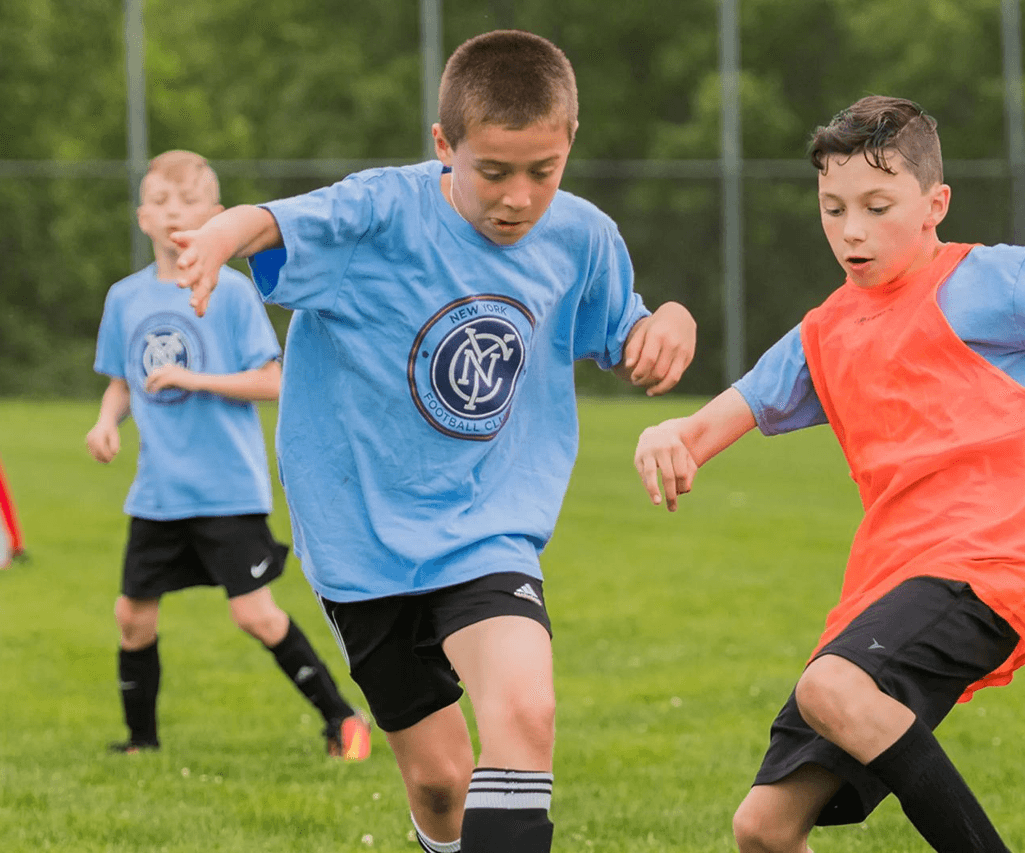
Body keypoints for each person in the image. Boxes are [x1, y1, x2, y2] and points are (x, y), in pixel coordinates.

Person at [634, 95, 1025, 852]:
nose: (851, 230)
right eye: (833, 207)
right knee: (765, 828)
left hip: (987, 569)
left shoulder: (998, 281)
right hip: (885, 587)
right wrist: (665, 432)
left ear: (934, 203)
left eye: (878, 206)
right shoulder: (823, 331)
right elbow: (710, 422)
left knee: (831, 687)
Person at [172, 30, 696, 853]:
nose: (518, 197)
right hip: (361, 540)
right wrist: (214, 239)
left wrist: (671, 320)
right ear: (445, 146)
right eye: (493, 171)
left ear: (569, 147)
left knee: (526, 710)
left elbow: (626, 323)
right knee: (442, 780)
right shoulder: (379, 213)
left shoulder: (581, 236)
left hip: (488, 527)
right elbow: (269, 221)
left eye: (542, 171)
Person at [87, 150, 369, 761]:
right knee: (132, 617)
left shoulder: (235, 295)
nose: (173, 214)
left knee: (255, 616)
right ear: (142, 218)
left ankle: (343, 721)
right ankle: (142, 744)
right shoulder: (125, 299)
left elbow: (273, 380)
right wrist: (107, 422)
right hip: (158, 493)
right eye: (161, 203)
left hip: (226, 489)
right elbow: (120, 380)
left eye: (188, 203)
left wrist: (196, 381)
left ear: (215, 215)